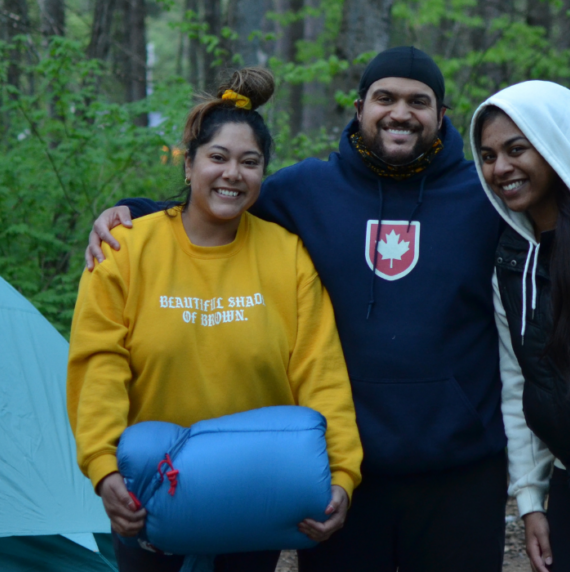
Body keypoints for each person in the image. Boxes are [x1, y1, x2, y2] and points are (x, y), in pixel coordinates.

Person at [86, 47, 508, 572]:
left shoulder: (484, 196)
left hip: (459, 469)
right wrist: (129, 214)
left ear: (442, 115)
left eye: (418, 101)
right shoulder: (309, 190)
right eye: (385, 98)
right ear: (359, 109)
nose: (401, 112)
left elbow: (545, 224)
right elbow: (217, 204)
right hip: (353, 473)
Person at [67, 67, 363, 572]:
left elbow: (321, 373)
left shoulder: (287, 256)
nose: (233, 174)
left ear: (263, 174)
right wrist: (101, 465)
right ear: (188, 165)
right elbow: (98, 365)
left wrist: (342, 473)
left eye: (250, 162)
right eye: (218, 157)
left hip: (254, 492)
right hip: (149, 493)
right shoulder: (126, 251)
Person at [471, 80, 570, 572]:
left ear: (555, 141)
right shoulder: (511, 262)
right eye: (488, 156)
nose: (500, 169)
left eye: (516, 149)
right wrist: (531, 499)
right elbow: (521, 384)